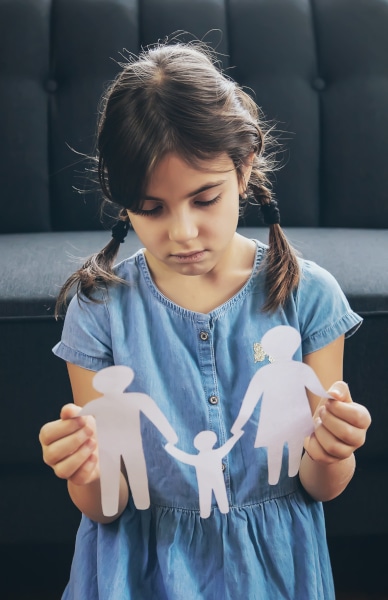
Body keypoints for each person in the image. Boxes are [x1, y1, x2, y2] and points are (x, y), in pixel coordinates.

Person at [39, 41, 371, 599]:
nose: (182, 232)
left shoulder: (307, 295)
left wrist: (335, 450)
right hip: (139, 572)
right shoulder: (98, 310)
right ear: (123, 204)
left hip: (272, 571)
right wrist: (84, 472)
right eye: (151, 208)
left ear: (243, 170)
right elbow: (109, 503)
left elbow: (320, 487)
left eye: (205, 198)